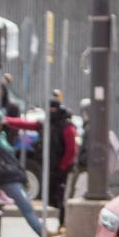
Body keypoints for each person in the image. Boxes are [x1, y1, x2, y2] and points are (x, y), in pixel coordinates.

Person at [0, 106, 44, 237]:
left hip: (13, 176)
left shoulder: (1, 137)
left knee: (26, 207)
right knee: (26, 207)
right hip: (7, 179)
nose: (0, 127)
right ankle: (43, 234)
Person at [48, 96, 78, 227]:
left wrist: (62, 166)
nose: (50, 111)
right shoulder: (50, 123)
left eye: (53, 108)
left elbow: (71, 150)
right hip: (54, 168)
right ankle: (61, 224)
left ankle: (64, 224)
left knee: (63, 197)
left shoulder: (67, 126)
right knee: (55, 197)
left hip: (64, 170)